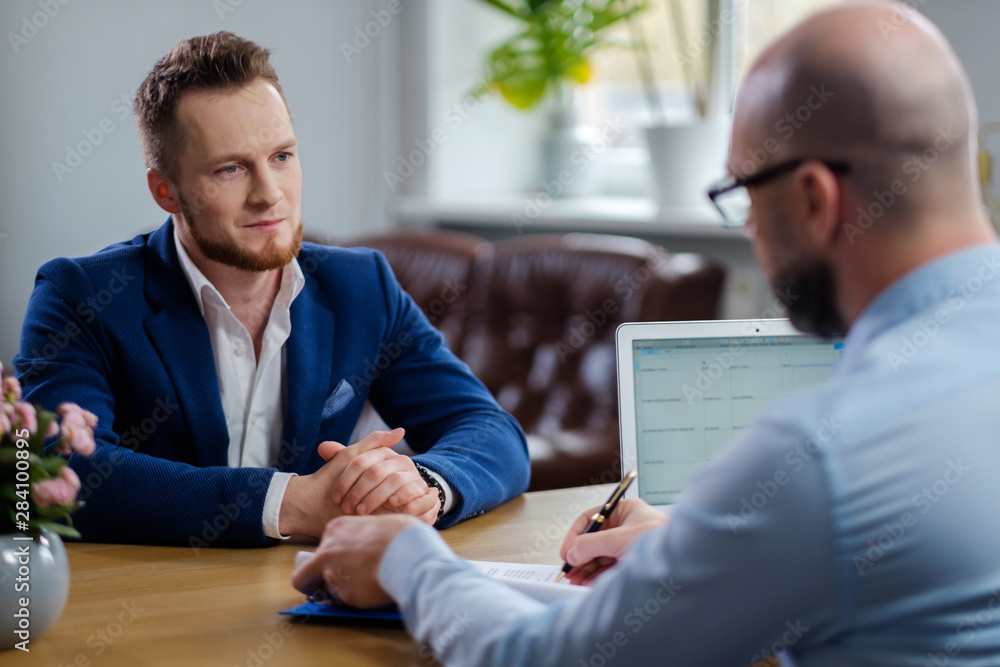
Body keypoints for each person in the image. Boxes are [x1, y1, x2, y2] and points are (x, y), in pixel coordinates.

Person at [291, 2, 1000, 664]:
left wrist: (408, 560)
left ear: (814, 197)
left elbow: (555, 656)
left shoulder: (823, 456)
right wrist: (707, 552)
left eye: (744, 195)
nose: (749, 228)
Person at [14, 32, 529, 547]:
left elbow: (489, 430)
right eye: (230, 169)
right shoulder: (80, 296)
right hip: (145, 604)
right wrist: (291, 502)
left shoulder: (361, 285)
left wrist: (425, 485)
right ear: (165, 190)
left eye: (281, 156)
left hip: (304, 597)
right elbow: (60, 472)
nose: (269, 195)